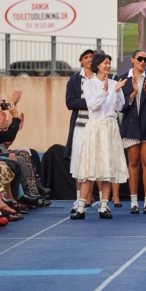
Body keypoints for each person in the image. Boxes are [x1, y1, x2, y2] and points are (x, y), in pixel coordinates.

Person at [71, 53, 129, 220]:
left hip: (110, 127)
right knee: (90, 168)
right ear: (97, 65)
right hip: (95, 127)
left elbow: (119, 107)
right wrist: (104, 92)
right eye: (105, 63)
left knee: (107, 168)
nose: (108, 66)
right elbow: (93, 106)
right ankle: (81, 207)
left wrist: (117, 92)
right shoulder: (89, 85)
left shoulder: (114, 83)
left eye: (109, 63)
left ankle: (104, 207)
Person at [119, 50, 146, 214]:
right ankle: (134, 201)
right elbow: (121, 106)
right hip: (131, 124)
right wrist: (134, 93)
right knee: (133, 161)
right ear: (132, 60)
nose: (143, 62)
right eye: (140, 59)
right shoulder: (123, 78)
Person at [64, 48, 97, 213]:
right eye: (86, 57)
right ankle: (79, 199)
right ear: (81, 61)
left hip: (97, 127)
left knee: (93, 164)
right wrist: (92, 103)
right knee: (78, 164)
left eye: (92, 57)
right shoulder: (74, 80)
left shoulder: (102, 78)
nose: (90, 59)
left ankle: (90, 198)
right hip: (80, 127)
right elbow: (70, 103)